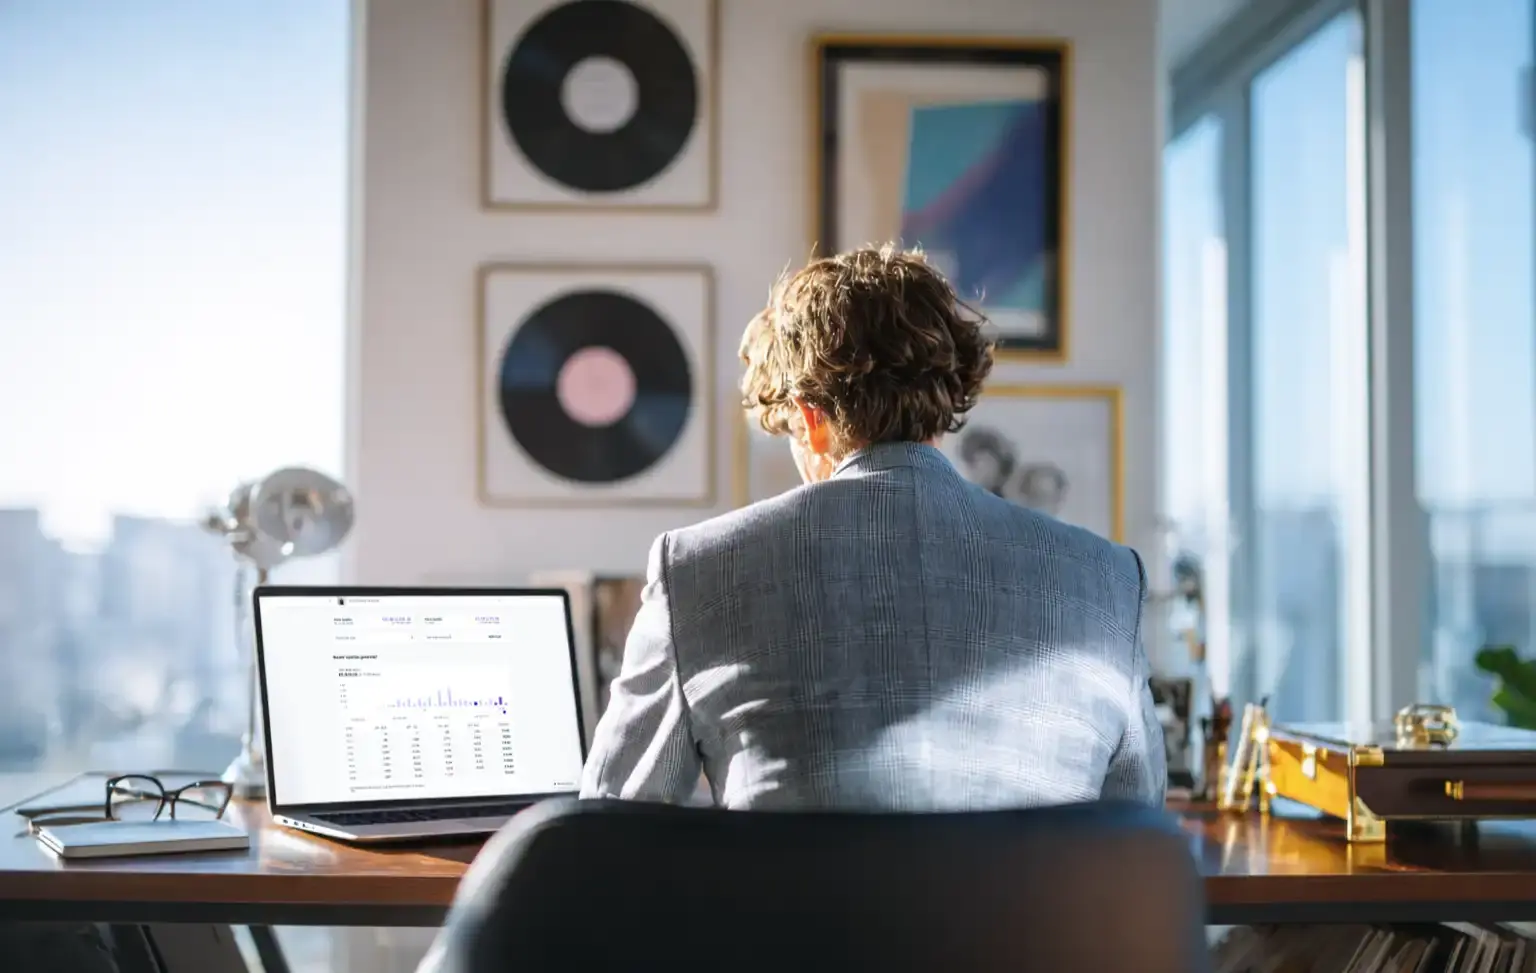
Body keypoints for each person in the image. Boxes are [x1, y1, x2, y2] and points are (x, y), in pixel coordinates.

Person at [580, 245, 1164, 811]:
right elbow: (1138, 827)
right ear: (946, 402)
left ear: (809, 420)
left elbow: (610, 832)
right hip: (1034, 916)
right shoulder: (1109, 580)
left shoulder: (696, 571)